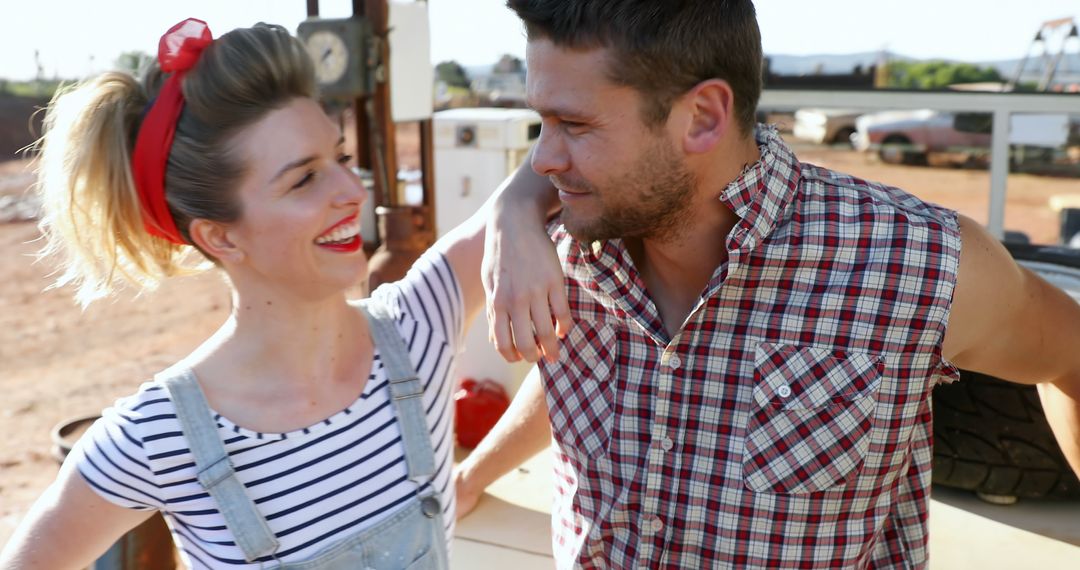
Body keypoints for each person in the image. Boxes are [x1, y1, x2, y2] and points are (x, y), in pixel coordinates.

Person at [455, 1, 1080, 568]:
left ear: (703, 117)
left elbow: (1071, 355)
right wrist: (472, 476)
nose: (542, 159)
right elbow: (585, 373)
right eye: (542, 120)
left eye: (574, 124)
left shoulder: (916, 264)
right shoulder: (564, 242)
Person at [0, 18, 538, 569]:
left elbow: (552, 163)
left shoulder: (420, 323)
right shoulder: (160, 437)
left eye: (341, 158)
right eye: (304, 179)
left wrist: (516, 214)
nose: (351, 192)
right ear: (220, 236)